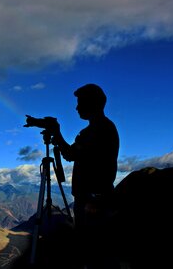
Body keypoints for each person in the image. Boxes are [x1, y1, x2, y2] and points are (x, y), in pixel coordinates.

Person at [52, 83, 120, 268]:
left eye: (80, 102)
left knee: (97, 252)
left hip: (95, 201)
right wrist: (57, 134)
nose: (76, 107)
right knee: (89, 248)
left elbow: (98, 166)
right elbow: (70, 155)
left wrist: (96, 199)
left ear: (93, 103)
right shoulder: (88, 132)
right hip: (86, 199)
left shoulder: (103, 129)